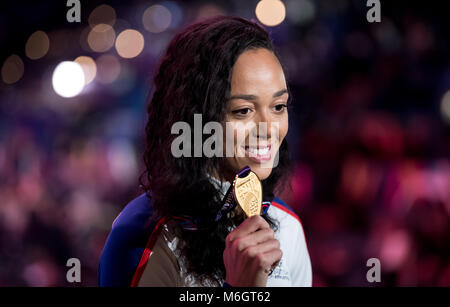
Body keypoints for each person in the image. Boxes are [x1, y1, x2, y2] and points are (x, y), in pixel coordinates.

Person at [98, 16, 312, 287]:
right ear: (196, 118)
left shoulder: (288, 225)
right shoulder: (142, 234)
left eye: (279, 106)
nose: (268, 129)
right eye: (243, 110)